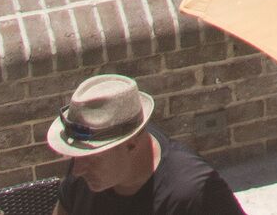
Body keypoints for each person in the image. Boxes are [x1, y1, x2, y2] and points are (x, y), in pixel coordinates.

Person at [41, 74, 240, 215]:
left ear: (132, 142)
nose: (76, 170)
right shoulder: (84, 176)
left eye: (92, 157)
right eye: (75, 155)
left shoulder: (193, 192)